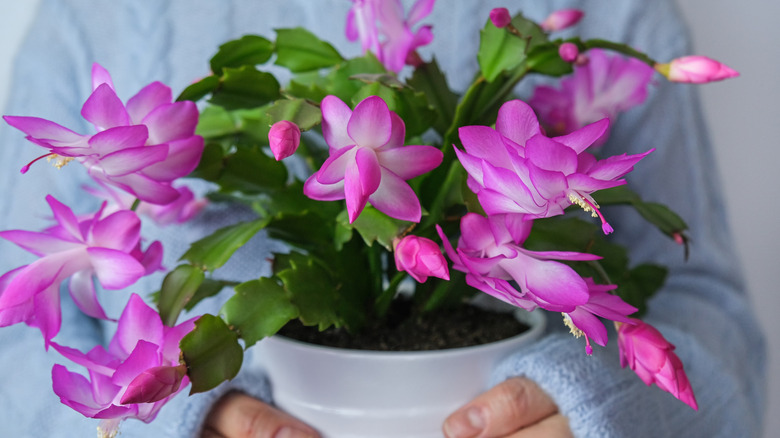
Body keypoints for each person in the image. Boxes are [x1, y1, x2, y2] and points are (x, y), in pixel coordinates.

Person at [0, 1, 766, 437]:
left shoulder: (619, 11)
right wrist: (181, 422)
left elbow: (716, 318)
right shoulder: (90, 16)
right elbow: (15, 370)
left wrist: (606, 408)